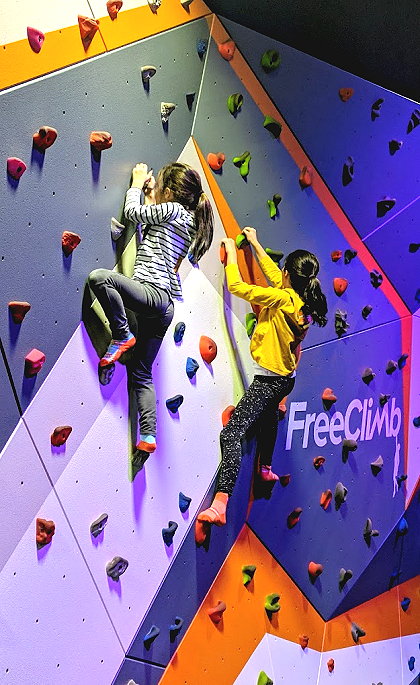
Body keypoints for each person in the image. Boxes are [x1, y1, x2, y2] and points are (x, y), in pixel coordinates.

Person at [196, 226, 327, 533]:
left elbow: (237, 286)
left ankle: (221, 503)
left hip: (268, 382)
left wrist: (231, 253)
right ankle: (265, 468)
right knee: (269, 421)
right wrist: (255, 243)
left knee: (231, 434)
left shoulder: (281, 299)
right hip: (286, 378)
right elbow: (274, 275)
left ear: (288, 275)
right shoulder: (302, 303)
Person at [88, 162, 214, 467]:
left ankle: (122, 335)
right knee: (142, 373)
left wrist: (136, 183)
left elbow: (133, 213)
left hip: (152, 293)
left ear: (168, 193)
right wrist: (151, 197)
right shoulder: (189, 221)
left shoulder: (172, 210)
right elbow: (153, 236)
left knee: (99, 279)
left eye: (158, 186)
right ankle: (147, 436)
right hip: (165, 307)